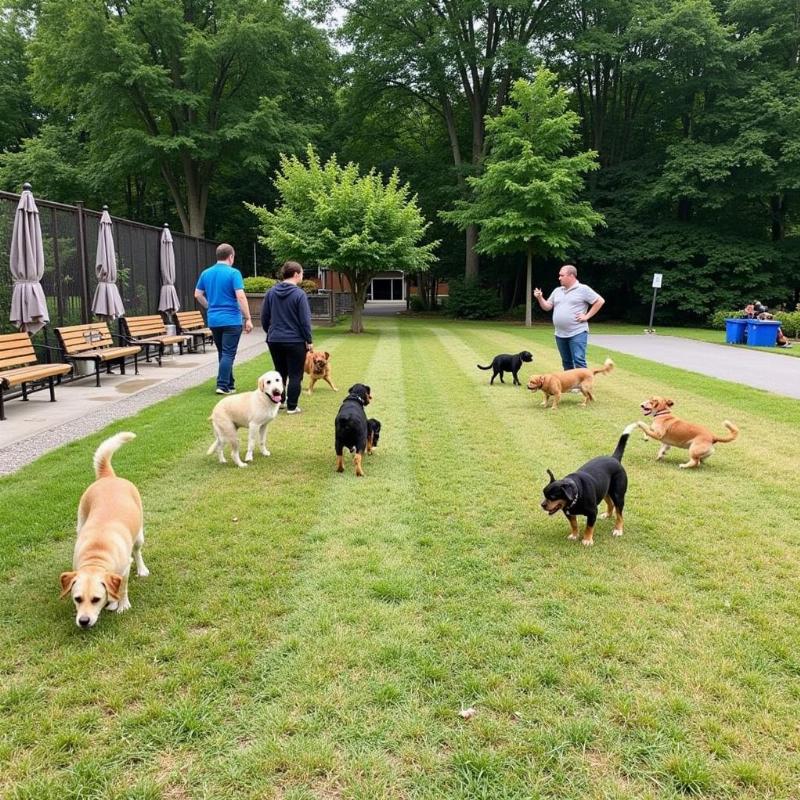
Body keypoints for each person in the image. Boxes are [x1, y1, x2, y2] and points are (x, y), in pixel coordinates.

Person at [194, 243, 253, 395]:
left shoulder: (206, 273)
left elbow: (198, 294)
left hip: (214, 319)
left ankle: (230, 384)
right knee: (228, 353)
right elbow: (240, 295)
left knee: (223, 352)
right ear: (231, 256)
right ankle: (222, 385)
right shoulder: (234, 273)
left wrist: (209, 306)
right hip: (231, 319)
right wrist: (248, 317)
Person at [260, 261, 313, 414]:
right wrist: (308, 340)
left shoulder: (271, 292)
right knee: (296, 374)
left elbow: (264, 317)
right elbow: (305, 321)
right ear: (296, 274)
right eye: (302, 273)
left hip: (274, 339)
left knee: (280, 372)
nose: (302, 276)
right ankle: (292, 406)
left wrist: (270, 332)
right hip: (295, 340)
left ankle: (280, 401)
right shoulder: (299, 294)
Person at [533, 264, 605, 371]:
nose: (559, 278)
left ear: (571, 276)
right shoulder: (557, 290)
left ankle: (583, 385)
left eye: (562, 275)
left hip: (578, 332)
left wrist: (587, 316)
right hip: (560, 333)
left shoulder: (583, 289)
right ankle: (570, 384)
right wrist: (540, 297)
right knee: (566, 361)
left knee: (578, 359)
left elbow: (600, 301)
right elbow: (547, 307)